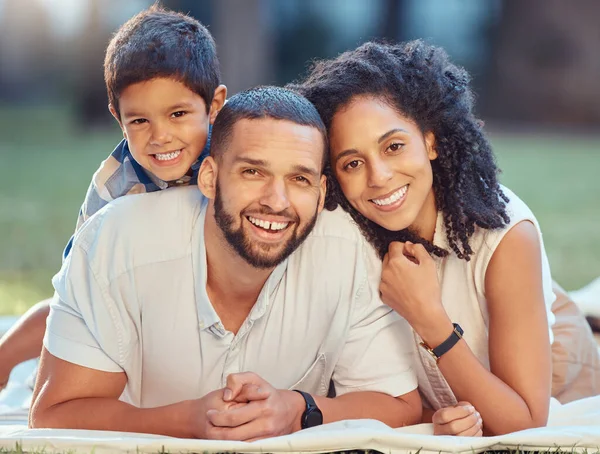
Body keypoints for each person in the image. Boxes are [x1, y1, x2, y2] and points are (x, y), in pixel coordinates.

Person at [29, 86, 422, 440]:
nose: (277, 201)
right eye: (253, 172)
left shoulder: (344, 250)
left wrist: (299, 410)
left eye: (299, 179)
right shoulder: (117, 240)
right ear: (210, 178)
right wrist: (189, 420)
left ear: (321, 194)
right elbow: (53, 415)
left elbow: (399, 404)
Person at [295, 40, 569, 436]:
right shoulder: (345, 234)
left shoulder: (507, 235)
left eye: (394, 146)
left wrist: (428, 318)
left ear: (430, 141)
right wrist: (434, 418)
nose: (379, 176)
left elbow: (525, 420)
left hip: (561, 354)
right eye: (352, 163)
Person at [0, 5, 226, 391]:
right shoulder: (114, 185)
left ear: (214, 106)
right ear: (117, 117)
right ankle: (4, 360)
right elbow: (78, 287)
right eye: (139, 121)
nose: (161, 136)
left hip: (203, 289)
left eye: (178, 114)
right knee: (69, 304)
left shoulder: (237, 156)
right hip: (135, 287)